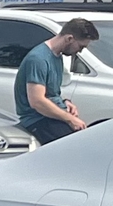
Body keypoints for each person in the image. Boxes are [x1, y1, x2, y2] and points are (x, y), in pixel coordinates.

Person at [15, 17, 98, 145]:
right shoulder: (38, 59)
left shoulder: (57, 56)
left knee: (88, 140)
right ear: (69, 39)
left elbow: (50, 93)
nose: (80, 51)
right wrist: (70, 119)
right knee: (78, 147)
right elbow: (37, 101)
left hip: (50, 117)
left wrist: (65, 102)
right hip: (38, 120)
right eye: (81, 46)